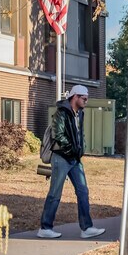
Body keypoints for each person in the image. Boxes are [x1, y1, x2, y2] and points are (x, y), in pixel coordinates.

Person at [37, 85, 105, 239]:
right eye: (84, 98)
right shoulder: (61, 113)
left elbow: (79, 134)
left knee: (83, 191)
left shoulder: (79, 114)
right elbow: (58, 135)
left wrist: (81, 148)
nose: (86, 101)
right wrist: (72, 149)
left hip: (74, 159)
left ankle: (86, 228)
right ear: (75, 97)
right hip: (61, 157)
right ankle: (45, 227)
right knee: (55, 193)